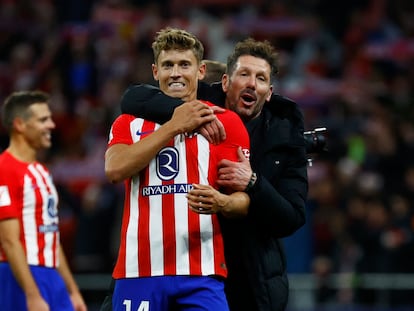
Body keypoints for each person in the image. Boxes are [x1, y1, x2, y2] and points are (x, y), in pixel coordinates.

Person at [120, 38, 309, 311]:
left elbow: (291, 218)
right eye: (243, 74)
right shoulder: (202, 102)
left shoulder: (285, 135)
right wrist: (187, 115)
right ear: (224, 82)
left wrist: (253, 184)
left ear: (269, 92)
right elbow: (132, 97)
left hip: (250, 269)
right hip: (189, 261)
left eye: (260, 78)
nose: (251, 84)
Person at [105, 27, 250, 311]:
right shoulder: (128, 123)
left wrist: (223, 202)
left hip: (201, 272)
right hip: (140, 271)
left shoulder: (227, 123)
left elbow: (243, 201)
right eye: (167, 65)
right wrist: (174, 125)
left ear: (200, 70)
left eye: (184, 65)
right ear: (155, 71)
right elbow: (114, 170)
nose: (175, 73)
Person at [0, 90, 87, 311]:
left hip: (50, 274)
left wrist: (72, 291)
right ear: (20, 124)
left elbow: (51, 235)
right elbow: (9, 240)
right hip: (19, 275)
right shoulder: (4, 169)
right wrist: (32, 294)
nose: (51, 125)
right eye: (43, 120)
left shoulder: (41, 172)